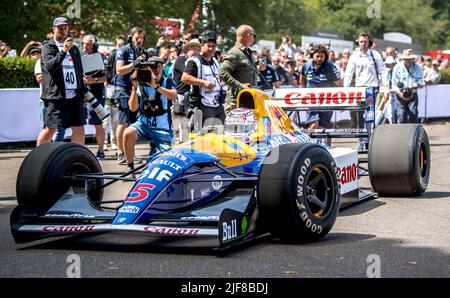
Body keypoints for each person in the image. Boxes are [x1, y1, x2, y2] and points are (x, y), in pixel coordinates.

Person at [37, 17, 87, 146]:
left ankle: (78, 157)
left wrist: (82, 92)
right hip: (56, 96)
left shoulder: (74, 49)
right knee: (51, 128)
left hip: (74, 96)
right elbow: (50, 67)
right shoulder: (48, 47)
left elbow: (79, 72)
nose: (63, 31)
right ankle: (38, 158)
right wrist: (63, 51)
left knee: (79, 128)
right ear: (54, 29)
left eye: (65, 28)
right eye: (60, 28)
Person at [123, 56, 176, 172]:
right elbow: (133, 108)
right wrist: (134, 88)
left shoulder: (167, 81)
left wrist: (155, 86)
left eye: (158, 66)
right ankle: (130, 168)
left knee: (170, 159)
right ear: (147, 69)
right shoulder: (141, 82)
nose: (156, 70)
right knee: (128, 133)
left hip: (163, 129)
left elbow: (173, 95)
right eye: (152, 67)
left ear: (163, 67)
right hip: (143, 125)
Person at [344, 32, 388, 150]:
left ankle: (370, 140)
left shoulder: (375, 55)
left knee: (370, 116)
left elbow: (383, 72)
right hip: (359, 89)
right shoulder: (354, 56)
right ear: (358, 42)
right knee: (359, 117)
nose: (363, 44)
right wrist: (346, 90)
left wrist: (385, 89)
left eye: (365, 42)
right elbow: (348, 74)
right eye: (361, 42)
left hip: (372, 89)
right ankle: (362, 141)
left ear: (369, 43)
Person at [114, 27, 147, 164]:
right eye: (136, 38)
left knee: (133, 124)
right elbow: (119, 70)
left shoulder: (143, 52)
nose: (139, 40)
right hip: (122, 89)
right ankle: (121, 153)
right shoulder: (123, 50)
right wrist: (134, 64)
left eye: (141, 38)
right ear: (131, 37)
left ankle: (129, 154)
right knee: (123, 121)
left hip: (136, 89)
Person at [182, 31, 225, 127]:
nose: (211, 48)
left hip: (217, 104)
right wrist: (203, 82)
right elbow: (184, 78)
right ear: (202, 46)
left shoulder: (215, 61)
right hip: (202, 105)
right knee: (204, 136)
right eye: (208, 46)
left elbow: (220, 78)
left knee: (220, 134)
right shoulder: (194, 61)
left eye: (213, 46)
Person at [300, 44, 342, 129]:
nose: (319, 58)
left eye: (321, 56)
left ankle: (321, 142)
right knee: (313, 124)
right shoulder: (306, 65)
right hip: (311, 100)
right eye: (317, 56)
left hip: (326, 100)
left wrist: (341, 102)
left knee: (323, 128)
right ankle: (309, 142)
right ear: (312, 56)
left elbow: (339, 84)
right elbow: (302, 78)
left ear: (325, 56)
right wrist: (305, 91)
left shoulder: (330, 67)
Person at [219, 25, 258, 111]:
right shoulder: (235, 53)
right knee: (236, 125)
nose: (254, 38)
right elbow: (222, 73)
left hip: (249, 99)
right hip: (236, 102)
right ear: (247, 35)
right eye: (253, 35)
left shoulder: (247, 53)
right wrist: (240, 85)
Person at [82, 34, 107, 159]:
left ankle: (101, 151)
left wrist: (94, 80)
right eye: (84, 43)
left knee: (98, 124)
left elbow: (109, 76)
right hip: (80, 94)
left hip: (96, 95)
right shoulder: (80, 57)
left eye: (88, 44)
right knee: (78, 124)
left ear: (95, 45)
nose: (85, 46)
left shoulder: (101, 58)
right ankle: (79, 151)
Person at [392, 49, 425, 124]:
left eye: (410, 59)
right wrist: (400, 93)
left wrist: (418, 85)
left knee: (413, 114)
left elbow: (421, 81)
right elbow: (393, 84)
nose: (408, 60)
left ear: (413, 59)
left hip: (413, 94)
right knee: (401, 116)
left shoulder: (419, 68)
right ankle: (402, 134)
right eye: (406, 59)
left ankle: (414, 134)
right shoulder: (397, 67)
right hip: (400, 94)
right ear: (403, 59)